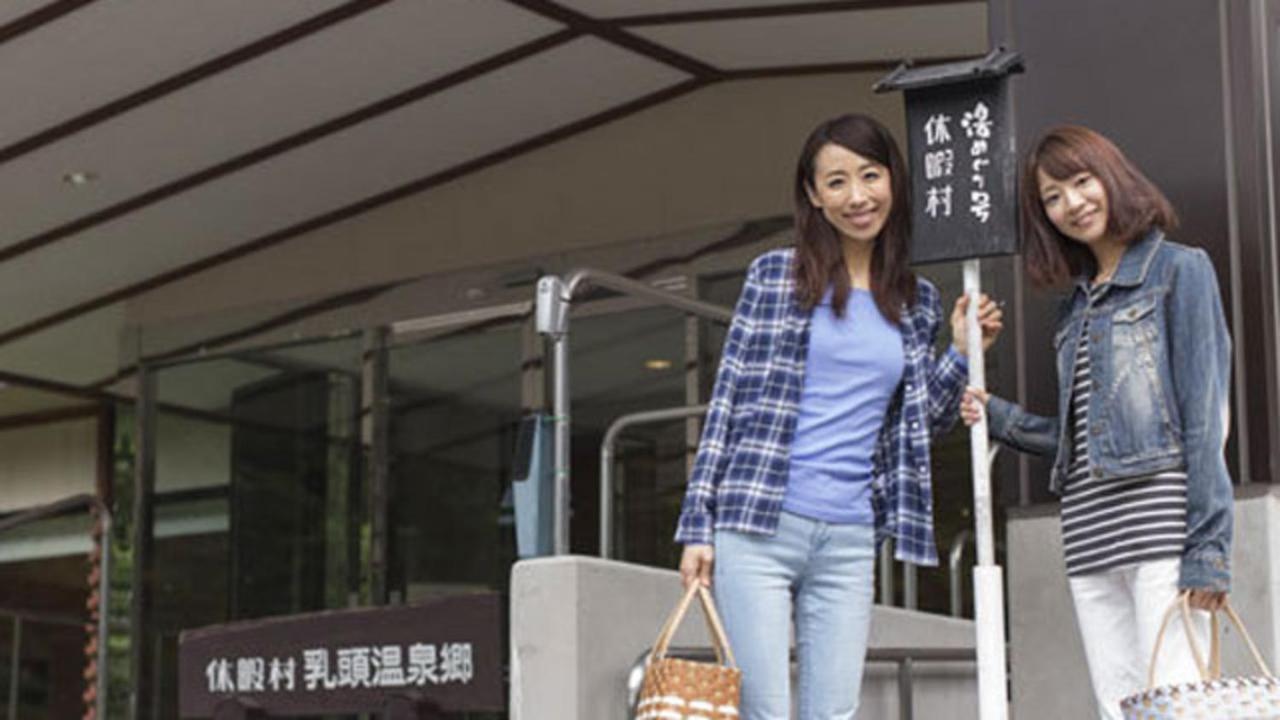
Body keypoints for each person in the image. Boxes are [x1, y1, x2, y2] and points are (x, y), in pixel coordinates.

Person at [674, 113, 1002, 719]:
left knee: (835, 714)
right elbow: (727, 400)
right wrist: (698, 522)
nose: (857, 197)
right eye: (837, 182)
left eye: (870, 176)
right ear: (813, 195)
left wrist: (958, 351)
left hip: (849, 536)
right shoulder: (774, 276)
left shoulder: (916, 300)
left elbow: (921, 423)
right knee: (765, 711)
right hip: (757, 526)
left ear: (894, 183)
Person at [960, 125, 1233, 719]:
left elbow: (1206, 418)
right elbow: (1080, 437)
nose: (1071, 204)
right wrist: (993, 412)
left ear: (1112, 176)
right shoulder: (1075, 308)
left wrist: (1209, 549)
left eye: (1081, 182)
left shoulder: (1179, 271)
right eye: (1052, 197)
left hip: (1161, 529)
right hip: (1088, 534)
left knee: (1177, 703)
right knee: (1118, 708)